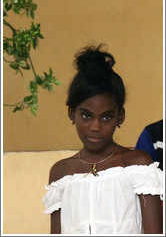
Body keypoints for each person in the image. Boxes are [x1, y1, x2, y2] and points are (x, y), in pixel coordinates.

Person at [42, 44, 163, 234]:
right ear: (72, 114)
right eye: (87, 116)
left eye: (106, 117)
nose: (96, 127)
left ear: (120, 116)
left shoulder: (138, 167)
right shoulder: (61, 174)